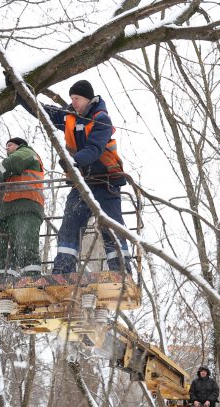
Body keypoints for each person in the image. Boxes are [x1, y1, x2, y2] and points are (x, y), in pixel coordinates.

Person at [24, 80, 131, 274]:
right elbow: (43, 111)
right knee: (69, 225)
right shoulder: (69, 117)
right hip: (81, 183)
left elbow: (94, 149)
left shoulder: (101, 120)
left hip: (106, 182)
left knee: (111, 227)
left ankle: (121, 271)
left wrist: (74, 162)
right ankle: (63, 271)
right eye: (72, 98)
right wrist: (22, 95)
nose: (73, 102)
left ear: (88, 99)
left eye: (77, 98)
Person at [0, 137, 45, 284]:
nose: (7, 148)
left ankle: (31, 280)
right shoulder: (11, 172)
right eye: (6, 146)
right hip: (8, 212)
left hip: (26, 206)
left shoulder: (27, 153)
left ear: (19, 145)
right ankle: (4, 278)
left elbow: (10, 163)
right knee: (6, 250)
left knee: (26, 245)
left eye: (10, 145)